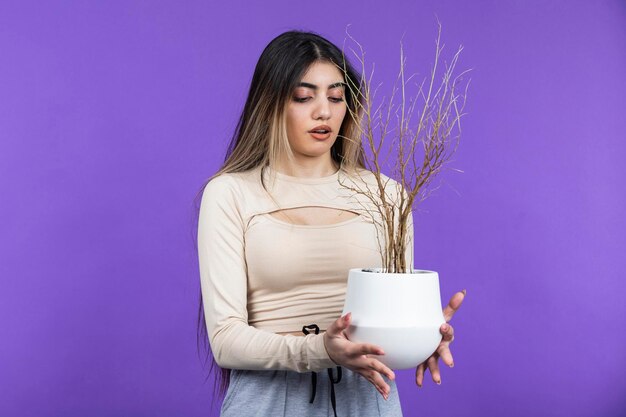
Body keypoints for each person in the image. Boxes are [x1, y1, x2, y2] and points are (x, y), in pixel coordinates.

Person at [196, 29, 466, 416]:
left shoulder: (387, 195)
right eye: (304, 97)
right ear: (270, 104)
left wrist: (421, 335)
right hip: (269, 402)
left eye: (336, 97)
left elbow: (390, 318)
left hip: (366, 399)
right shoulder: (230, 193)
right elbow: (225, 340)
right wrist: (321, 349)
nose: (324, 111)